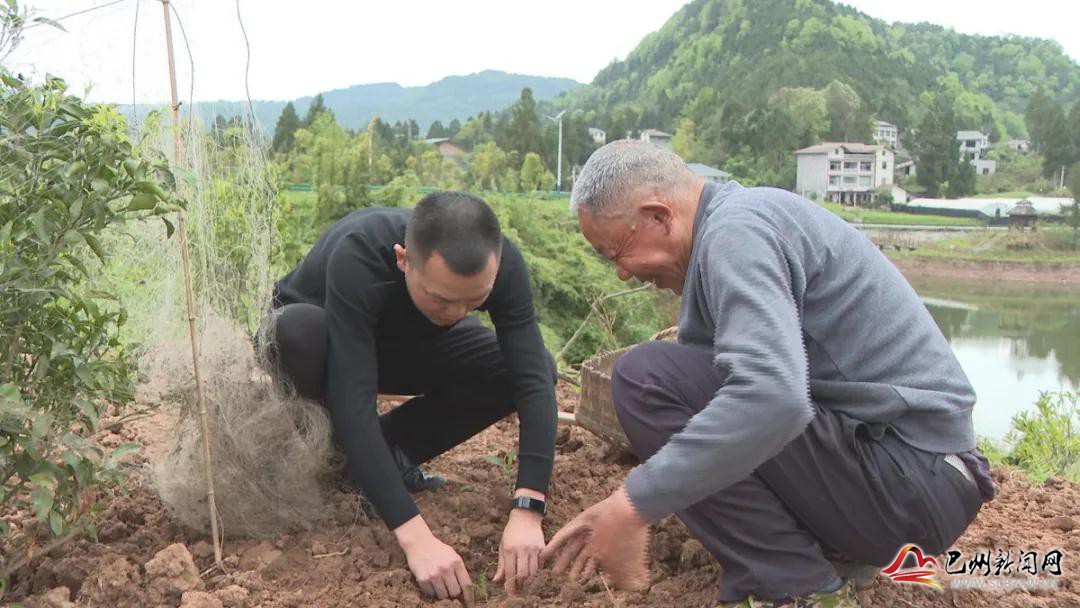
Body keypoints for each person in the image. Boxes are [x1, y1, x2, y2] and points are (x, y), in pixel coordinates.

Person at [541, 141, 996, 606]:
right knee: (694, 387)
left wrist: (632, 503)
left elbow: (774, 398)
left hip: (911, 482)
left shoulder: (736, 233)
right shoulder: (739, 223)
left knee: (645, 376)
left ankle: (795, 583)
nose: (621, 274)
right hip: (915, 481)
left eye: (617, 251)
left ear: (660, 217)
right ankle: (825, 552)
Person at [261, 192, 558, 606]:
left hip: (407, 344)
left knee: (536, 365)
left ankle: (388, 455)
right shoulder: (359, 253)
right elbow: (354, 399)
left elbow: (533, 380)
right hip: (326, 346)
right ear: (403, 259)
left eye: (473, 301)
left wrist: (528, 509)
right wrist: (417, 540)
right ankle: (339, 457)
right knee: (298, 331)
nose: (456, 312)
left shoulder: (501, 263)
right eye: (441, 297)